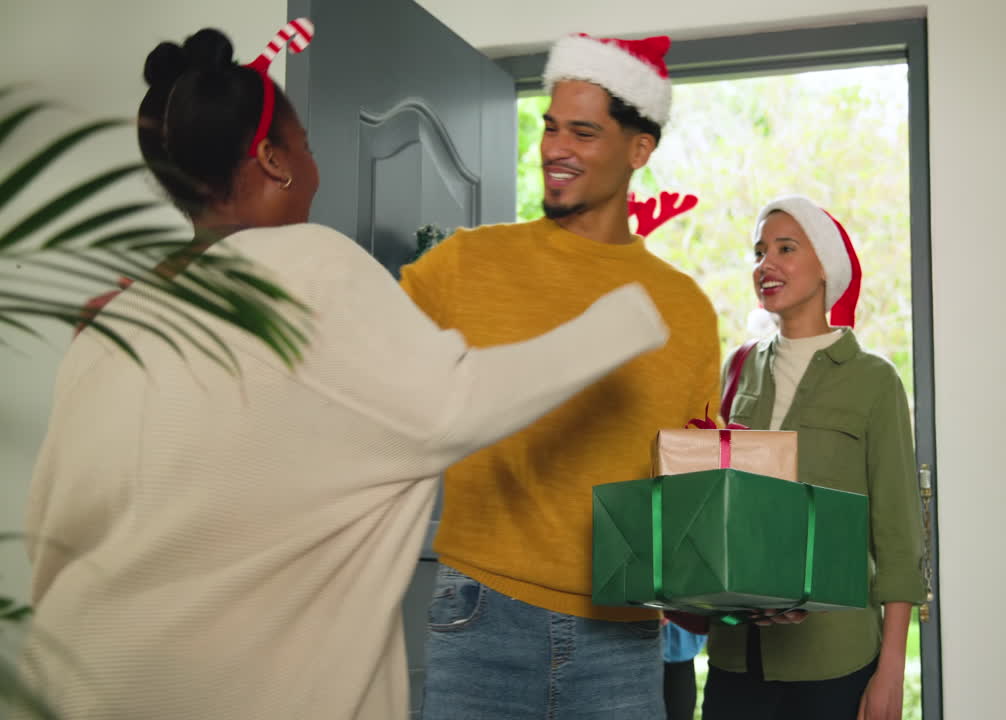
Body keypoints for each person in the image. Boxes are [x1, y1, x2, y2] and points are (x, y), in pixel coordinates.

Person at [18, 25, 669, 720]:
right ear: (273, 159)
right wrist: (623, 318)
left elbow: (50, 529)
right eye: (308, 148)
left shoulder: (116, 318)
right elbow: (455, 402)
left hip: (76, 677)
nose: (316, 168)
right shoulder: (308, 265)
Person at [399, 33, 721, 717]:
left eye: (582, 131)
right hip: (478, 617)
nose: (554, 149)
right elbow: (351, 357)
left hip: (624, 641)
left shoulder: (685, 310)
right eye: (550, 127)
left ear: (639, 150)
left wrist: (752, 589)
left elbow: (693, 486)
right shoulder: (466, 264)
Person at [701, 195, 926, 720]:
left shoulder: (873, 381)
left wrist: (891, 669)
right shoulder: (736, 372)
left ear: (827, 266)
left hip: (835, 662)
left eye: (785, 248)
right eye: (758, 252)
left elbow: (897, 535)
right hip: (737, 661)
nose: (765, 265)